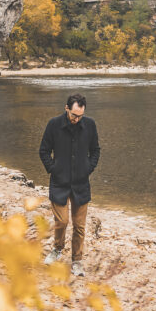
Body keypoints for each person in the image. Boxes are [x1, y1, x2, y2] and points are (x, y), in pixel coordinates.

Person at [38, 93, 100, 277]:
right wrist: (53, 168)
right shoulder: (54, 124)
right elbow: (43, 150)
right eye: (74, 115)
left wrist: (88, 168)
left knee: (80, 226)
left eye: (80, 116)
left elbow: (95, 150)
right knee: (62, 221)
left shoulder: (90, 125)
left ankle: (77, 261)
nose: (76, 119)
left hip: (81, 183)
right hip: (59, 182)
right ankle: (57, 249)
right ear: (66, 108)